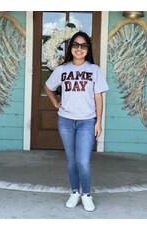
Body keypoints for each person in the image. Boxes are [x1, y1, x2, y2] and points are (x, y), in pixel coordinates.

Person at [44, 31, 109, 212]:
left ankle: (86, 194)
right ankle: (74, 192)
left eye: (83, 45)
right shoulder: (62, 69)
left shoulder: (94, 70)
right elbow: (48, 87)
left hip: (87, 122)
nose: (79, 49)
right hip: (65, 121)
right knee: (71, 160)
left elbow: (98, 98)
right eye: (75, 45)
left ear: (87, 49)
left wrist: (98, 122)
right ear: (70, 47)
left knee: (83, 161)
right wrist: (56, 102)